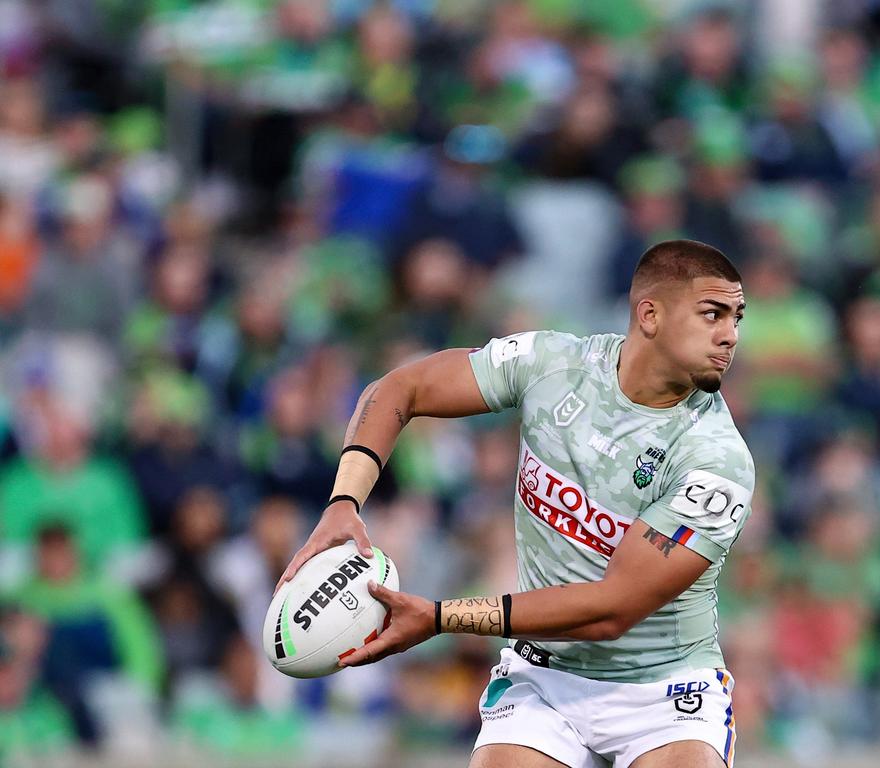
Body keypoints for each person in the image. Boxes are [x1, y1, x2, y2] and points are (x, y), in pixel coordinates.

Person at [277, 239, 754, 768]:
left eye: (736, 316)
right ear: (650, 315)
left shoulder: (716, 461)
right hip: (543, 677)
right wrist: (344, 502)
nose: (730, 335)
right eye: (712, 314)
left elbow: (611, 610)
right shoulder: (551, 365)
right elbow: (400, 389)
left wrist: (440, 618)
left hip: (664, 691)